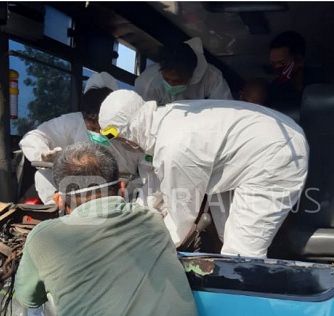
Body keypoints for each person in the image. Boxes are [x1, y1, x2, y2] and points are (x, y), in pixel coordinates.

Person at [14, 142, 226, 316]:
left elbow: (28, 299)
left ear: (60, 199)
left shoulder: (44, 237)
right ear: (122, 188)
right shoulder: (152, 221)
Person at [99, 90, 309, 259]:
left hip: (277, 155)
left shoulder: (174, 145)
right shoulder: (166, 120)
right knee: (227, 234)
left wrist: (143, 245)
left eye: (115, 135)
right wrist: (141, 211)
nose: (120, 143)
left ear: (128, 130)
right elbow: (162, 186)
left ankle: (244, 303)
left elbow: (181, 219)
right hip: (257, 149)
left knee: (242, 252)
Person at [19, 72, 144, 204]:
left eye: (103, 129)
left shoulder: (129, 128)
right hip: (77, 189)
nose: (98, 134)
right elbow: (33, 137)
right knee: (43, 175)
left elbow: (147, 169)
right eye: (92, 128)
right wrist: (40, 153)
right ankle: (58, 212)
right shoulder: (71, 122)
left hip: (120, 191)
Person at [134, 37, 232, 105]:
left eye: (178, 81)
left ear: (192, 74)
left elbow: (224, 109)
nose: (171, 85)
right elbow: (141, 113)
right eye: (167, 79)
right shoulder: (148, 80)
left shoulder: (212, 78)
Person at [267, 31, 322, 109]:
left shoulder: (319, 86)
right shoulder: (276, 89)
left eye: (282, 62)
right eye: (273, 64)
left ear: (299, 61)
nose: (277, 67)